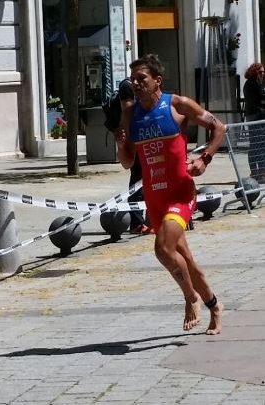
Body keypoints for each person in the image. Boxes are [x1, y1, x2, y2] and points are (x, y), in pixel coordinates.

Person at [116, 54, 225, 335]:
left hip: (180, 193)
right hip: (154, 197)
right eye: (134, 80)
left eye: (143, 79)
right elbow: (128, 162)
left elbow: (218, 127)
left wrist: (204, 159)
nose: (137, 84)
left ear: (157, 81)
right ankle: (215, 305)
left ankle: (191, 298)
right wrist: (121, 145)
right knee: (184, 259)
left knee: (163, 249)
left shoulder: (176, 105)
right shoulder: (130, 114)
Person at [118, 78, 153, 234]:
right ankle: (137, 223)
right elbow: (128, 112)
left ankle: (145, 220)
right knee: (138, 180)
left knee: (143, 181)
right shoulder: (127, 86)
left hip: (141, 140)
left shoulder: (137, 86)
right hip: (136, 141)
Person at [243, 62, 265, 182]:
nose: (263, 74)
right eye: (260, 72)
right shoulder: (254, 83)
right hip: (257, 117)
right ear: (254, 72)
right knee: (259, 144)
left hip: (253, 116)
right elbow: (261, 97)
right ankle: (260, 172)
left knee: (255, 145)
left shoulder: (250, 83)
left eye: (263, 72)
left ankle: (256, 172)